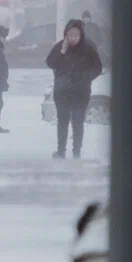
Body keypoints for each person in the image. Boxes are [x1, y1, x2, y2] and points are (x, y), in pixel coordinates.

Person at [47, 18, 103, 159]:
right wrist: (62, 52)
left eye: (76, 35)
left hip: (81, 91)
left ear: (80, 35)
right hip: (62, 91)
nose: (73, 38)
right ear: (66, 34)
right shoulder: (60, 47)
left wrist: (86, 77)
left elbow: (97, 67)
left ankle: (76, 151)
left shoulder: (88, 48)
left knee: (77, 122)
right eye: (70, 35)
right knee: (63, 122)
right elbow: (51, 63)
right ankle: (61, 151)